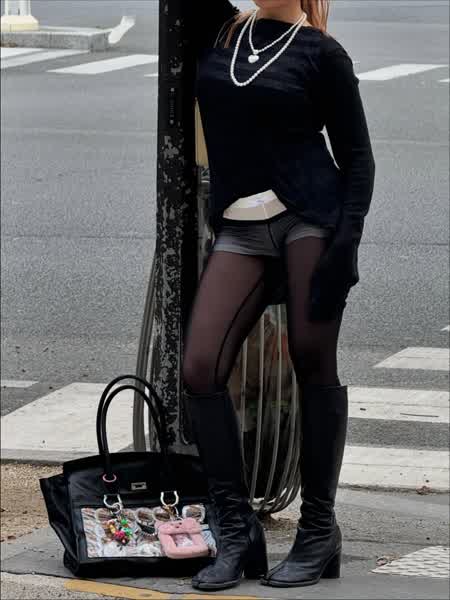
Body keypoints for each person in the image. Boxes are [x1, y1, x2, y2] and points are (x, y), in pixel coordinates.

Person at [182, 0, 376, 592]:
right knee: (200, 368)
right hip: (241, 226)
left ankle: (318, 531)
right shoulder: (223, 29)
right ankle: (237, 531)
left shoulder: (322, 53)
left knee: (311, 356)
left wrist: (344, 246)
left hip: (308, 219)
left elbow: (358, 158)